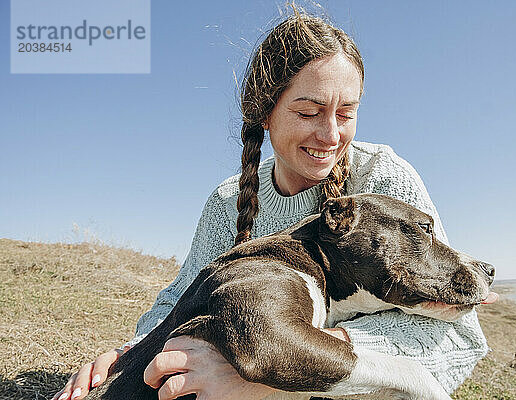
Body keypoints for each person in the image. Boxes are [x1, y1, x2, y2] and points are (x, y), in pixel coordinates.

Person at [54, 8, 491, 400]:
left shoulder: (383, 180)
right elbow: (179, 302)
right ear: (265, 111)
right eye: (308, 112)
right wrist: (126, 357)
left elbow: (457, 341)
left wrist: (267, 377)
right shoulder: (229, 201)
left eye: (346, 112)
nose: (331, 135)